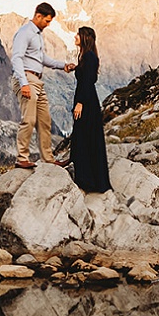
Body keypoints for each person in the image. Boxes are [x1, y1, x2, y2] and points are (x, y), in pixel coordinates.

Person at [9, 4, 75, 169]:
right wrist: (23, 83)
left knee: (45, 121)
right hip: (27, 78)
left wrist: (63, 66)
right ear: (38, 16)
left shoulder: (38, 35)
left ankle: (48, 159)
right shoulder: (25, 33)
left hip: (37, 81)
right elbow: (16, 58)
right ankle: (22, 158)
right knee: (29, 119)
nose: (48, 24)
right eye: (46, 20)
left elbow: (42, 58)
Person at [69, 27, 111, 194]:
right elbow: (88, 77)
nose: (75, 36)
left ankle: (87, 180)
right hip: (88, 101)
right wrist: (76, 68)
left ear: (85, 38)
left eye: (78, 34)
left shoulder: (89, 56)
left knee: (83, 138)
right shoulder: (87, 56)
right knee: (85, 138)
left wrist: (80, 103)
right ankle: (89, 179)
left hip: (86, 102)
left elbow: (87, 82)